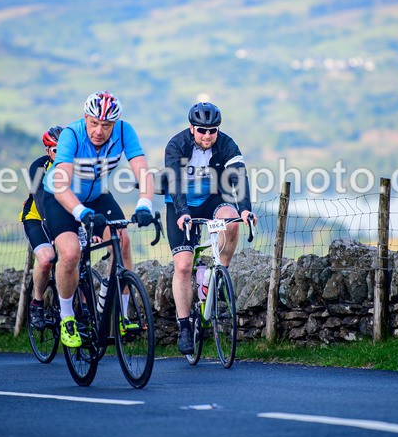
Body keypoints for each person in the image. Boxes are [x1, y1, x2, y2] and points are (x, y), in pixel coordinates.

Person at [41, 91, 155, 348]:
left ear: (114, 124)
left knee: (122, 242)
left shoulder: (125, 132)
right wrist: (80, 213)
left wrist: (145, 204)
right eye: (94, 123)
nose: (99, 131)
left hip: (97, 195)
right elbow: (61, 186)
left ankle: (121, 315)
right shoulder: (72, 134)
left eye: (106, 125)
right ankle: (67, 315)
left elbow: (143, 172)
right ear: (85, 119)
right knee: (70, 253)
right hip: (61, 197)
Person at [163, 102, 256, 354]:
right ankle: (184, 326)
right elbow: (175, 182)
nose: (207, 135)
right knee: (183, 265)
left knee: (232, 220)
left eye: (212, 130)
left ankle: (219, 275)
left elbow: (239, 176)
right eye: (202, 130)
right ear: (192, 128)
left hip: (210, 200)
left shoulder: (226, 144)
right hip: (180, 204)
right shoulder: (177, 145)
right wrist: (182, 213)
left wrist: (245, 208)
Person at [20, 125, 63, 331]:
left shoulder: (76, 166)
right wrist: (53, 228)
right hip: (37, 217)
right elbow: (39, 199)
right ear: (48, 151)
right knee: (46, 259)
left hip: (64, 217)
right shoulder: (38, 167)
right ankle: (37, 303)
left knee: (78, 262)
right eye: (56, 150)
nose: (61, 154)